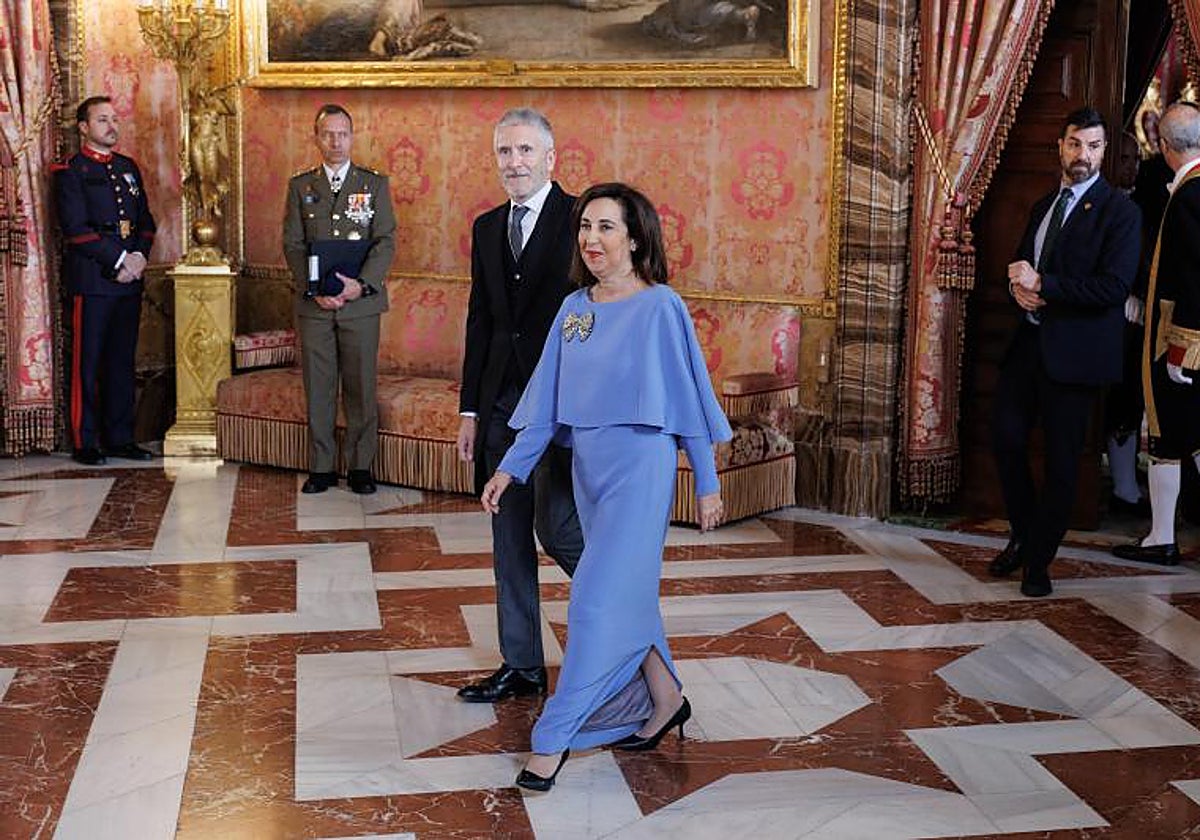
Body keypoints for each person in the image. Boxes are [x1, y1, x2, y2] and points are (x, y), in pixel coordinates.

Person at [480, 182, 732, 791]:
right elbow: (543, 406)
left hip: (641, 471)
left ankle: (552, 739)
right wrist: (510, 468)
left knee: (593, 603)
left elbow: (688, 400)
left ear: (636, 238)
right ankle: (666, 696)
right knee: (625, 595)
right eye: (585, 227)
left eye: (606, 227)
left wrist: (706, 482)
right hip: (590, 471)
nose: (591, 239)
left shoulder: (661, 307)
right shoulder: (575, 311)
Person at [456, 108, 584, 705]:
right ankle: (523, 664)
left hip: (561, 408)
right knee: (508, 537)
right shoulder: (486, 228)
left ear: (550, 158)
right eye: (505, 152)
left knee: (560, 530)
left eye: (526, 151)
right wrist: (470, 412)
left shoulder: (581, 220)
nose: (515, 163)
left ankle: (622, 633)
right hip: (502, 405)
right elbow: (480, 321)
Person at [990, 107, 1141, 597]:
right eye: (1075, 144)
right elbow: (1020, 264)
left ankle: (1038, 561)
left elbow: (1114, 287)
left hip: (1075, 356)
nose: (1084, 155)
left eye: (1094, 147)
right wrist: (1018, 289)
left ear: (1104, 152)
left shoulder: (1120, 211)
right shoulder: (1042, 206)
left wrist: (1046, 285)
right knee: (1007, 439)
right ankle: (1024, 532)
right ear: (1060, 145)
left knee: (1060, 463)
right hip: (1028, 346)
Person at [282, 104, 397, 495]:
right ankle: (322, 466)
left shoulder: (373, 184)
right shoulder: (301, 186)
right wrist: (313, 290)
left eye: (342, 134)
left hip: (360, 305)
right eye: (328, 134)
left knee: (360, 385)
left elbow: (385, 242)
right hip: (315, 306)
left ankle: (361, 467)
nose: (336, 141)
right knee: (319, 385)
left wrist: (360, 285)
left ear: (352, 136)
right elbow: (293, 244)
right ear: (317, 138)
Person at [1113, 101, 1200, 566]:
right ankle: (1160, 534)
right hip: (1186, 340)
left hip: (1182, 342)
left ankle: (1161, 538)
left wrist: (1182, 347)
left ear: (1164, 147)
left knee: (1168, 436)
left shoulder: (1190, 194)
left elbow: (1193, 279)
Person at [52, 95, 157, 466]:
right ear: (83, 127)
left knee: (120, 361)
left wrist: (140, 257)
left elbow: (146, 222)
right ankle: (86, 441)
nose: (112, 126)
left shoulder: (128, 167)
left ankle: (121, 438)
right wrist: (118, 260)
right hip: (94, 280)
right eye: (102, 120)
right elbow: (76, 231)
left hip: (130, 279)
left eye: (114, 119)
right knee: (89, 362)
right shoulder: (70, 171)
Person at [1104, 131, 1151, 516]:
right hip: (1099, 316)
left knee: (1129, 400)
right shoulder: (1098, 204)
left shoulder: (1150, 202)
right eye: (1123, 157)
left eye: (1135, 158)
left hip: (1137, 316)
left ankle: (1125, 489)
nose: (1130, 166)